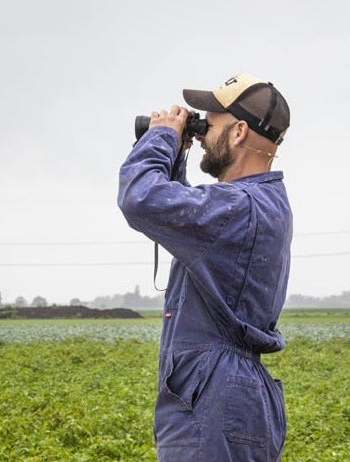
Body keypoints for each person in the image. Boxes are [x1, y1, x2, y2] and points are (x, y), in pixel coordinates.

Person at [117, 73, 292, 461]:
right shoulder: (254, 204)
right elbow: (179, 215)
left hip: (216, 395)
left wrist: (161, 137)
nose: (199, 134)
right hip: (225, 395)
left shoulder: (240, 208)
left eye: (208, 125)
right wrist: (177, 154)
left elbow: (141, 198)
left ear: (239, 132)